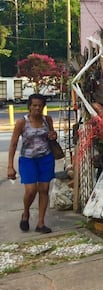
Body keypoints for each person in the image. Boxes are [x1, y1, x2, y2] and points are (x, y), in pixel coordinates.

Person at [7, 93, 57, 233]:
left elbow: (52, 136)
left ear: (43, 107)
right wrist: (10, 166)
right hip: (28, 159)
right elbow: (13, 144)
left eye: (40, 106)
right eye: (34, 105)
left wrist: (53, 136)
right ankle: (26, 213)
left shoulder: (47, 120)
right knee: (31, 190)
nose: (37, 108)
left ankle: (41, 223)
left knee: (44, 189)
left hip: (45, 158)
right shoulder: (22, 123)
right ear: (29, 106)